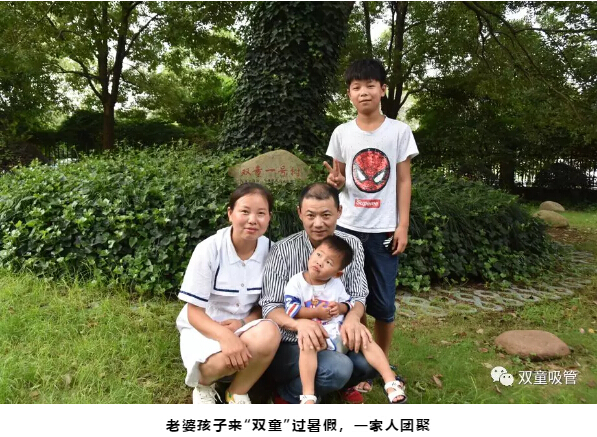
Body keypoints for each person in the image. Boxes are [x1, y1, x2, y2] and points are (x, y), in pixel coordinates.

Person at [324, 58, 418, 394]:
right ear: (349, 93)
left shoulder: (399, 132)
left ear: (382, 89)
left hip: (383, 231)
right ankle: (363, 362)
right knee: (353, 299)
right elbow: (337, 178)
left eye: (370, 85)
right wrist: (335, 183)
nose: (363, 92)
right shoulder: (341, 133)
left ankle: (382, 363)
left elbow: (403, 180)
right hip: (348, 229)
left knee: (384, 304)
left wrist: (402, 225)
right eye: (356, 87)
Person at [260, 182, 377, 404]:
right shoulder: (282, 250)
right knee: (339, 368)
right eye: (311, 215)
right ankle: (288, 393)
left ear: (339, 212)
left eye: (326, 215)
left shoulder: (351, 245)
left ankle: (335, 385)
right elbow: (270, 306)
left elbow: (358, 294)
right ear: (299, 213)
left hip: (335, 333)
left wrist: (353, 318)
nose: (318, 223)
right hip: (293, 342)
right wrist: (298, 325)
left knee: (369, 362)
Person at [175, 183, 281, 404]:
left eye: (261, 213)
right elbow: (194, 312)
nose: (253, 220)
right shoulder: (208, 249)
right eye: (245, 211)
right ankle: (204, 385)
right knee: (221, 362)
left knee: (270, 333)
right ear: (230, 213)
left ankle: (237, 392)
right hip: (205, 326)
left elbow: (267, 304)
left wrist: (243, 322)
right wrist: (226, 338)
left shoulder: (273, 252)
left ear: (269, 217)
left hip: (247, 325)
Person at [284, 235, 406, 404]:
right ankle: (308, 395)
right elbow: (291, 309)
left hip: (340, 333)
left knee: (365, 339)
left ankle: (390, 382)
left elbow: (349, 303)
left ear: (337, 274)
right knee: (307, 346)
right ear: (311, 253)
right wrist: (316, 313)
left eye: (329, 262)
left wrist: (340, 308)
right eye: (319, 255)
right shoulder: (297, 282)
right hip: (317, 336)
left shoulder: (336, 284)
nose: (320, 262)